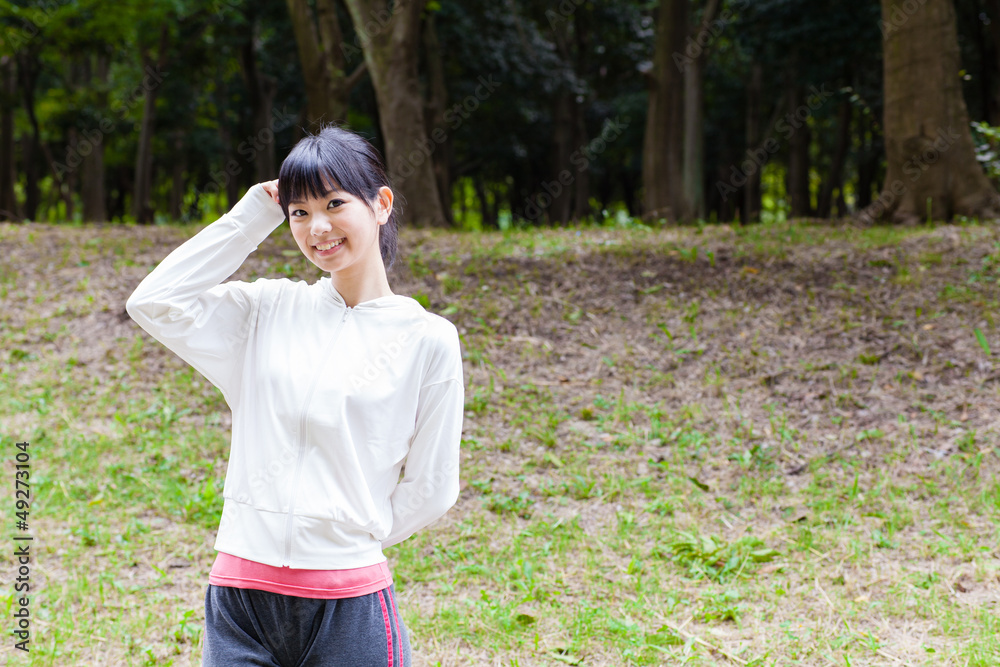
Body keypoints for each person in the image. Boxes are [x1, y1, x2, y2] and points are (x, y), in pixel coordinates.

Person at [126, 125, 464, 666]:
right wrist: (254, 214)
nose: (318, 228)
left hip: (349, 604)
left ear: (381, 204)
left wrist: (347, 532)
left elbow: (432, 485)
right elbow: (154, 302)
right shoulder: (265, 312)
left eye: (334, 204)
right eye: (299, 212)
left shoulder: (427, 340)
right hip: (241, 600)